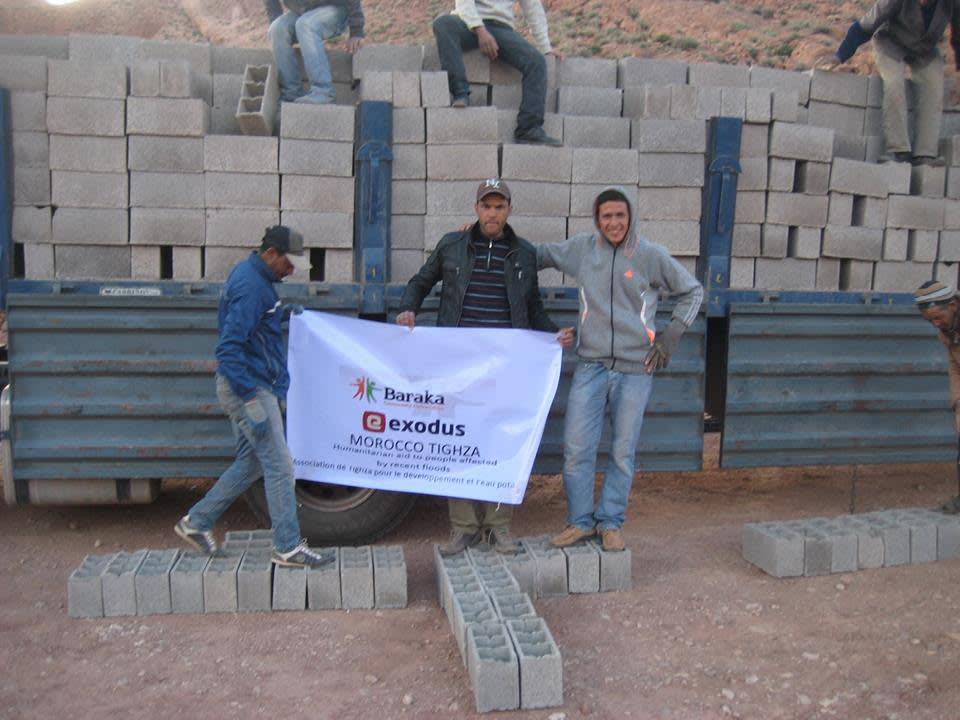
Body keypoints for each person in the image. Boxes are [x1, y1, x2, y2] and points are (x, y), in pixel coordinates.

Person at [396, 178, 575, 555]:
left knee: (500, 442)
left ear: (508, 209)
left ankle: (497, 527)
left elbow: (533, 308)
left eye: (499, 206)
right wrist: (409, 307)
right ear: (476, 209)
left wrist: (551, 333)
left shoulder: (524, 254)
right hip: (457, 365)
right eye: (486, 206)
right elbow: (421, 281)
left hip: (504, 369)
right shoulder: (452, 246)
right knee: (455, 441)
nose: (492, 213)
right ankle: (463, 529)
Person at [538, 187, 703, 552]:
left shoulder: (649, 255)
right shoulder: (583, 250)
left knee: (622, 451)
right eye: (606, 216)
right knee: (577, 448)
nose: (613, 223)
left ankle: (610, 522)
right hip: (591, 366)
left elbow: (693, 291)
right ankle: (580, 522)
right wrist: (488, 235)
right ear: (597, 220)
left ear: (630, 218)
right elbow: (538, 255)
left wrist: (671, 336)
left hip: (635, 369)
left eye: (620, 215)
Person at [175, 226, 333, 568]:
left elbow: (251, 330)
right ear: (271, 254)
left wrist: (279, 312)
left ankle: (196, 522)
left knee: (250, 463)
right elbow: (228, 348)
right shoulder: (251, 287)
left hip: (251, 383)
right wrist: (249, 399)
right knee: (280, 465)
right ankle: (288, 547)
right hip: (249, 386)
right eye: (288, 264)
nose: (291, 271)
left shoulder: (257, 281)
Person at [816, 0, 960, 166]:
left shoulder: (951, 3)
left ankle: (925, 154)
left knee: (934, 89)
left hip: (925, 50)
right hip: (891, 43)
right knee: (894, 85)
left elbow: (958, 36)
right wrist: (839, 56)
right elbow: (863, 27)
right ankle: (899, 150)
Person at [432, 0, 562, 146]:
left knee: (536, 62)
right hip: (466, 22)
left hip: (502, 28)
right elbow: (464, 3)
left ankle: (529, 129)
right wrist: (480, 30)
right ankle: (460, 93)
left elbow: (533, 8)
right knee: (443, 24)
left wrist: (545, 47)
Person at [915, 279, 960, 513]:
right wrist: (957, 401)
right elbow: (955, 365)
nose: (935, 324)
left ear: (952, 305)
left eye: (937, 318)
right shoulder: (947, 332)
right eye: (929, 320)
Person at [265, 0, 365, 104]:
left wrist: (356, 31)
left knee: (305, 24)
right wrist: (276, 18)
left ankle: (323, 91)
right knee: (276, 29)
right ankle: (291, 94)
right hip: (303, 12)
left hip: (335, 9)